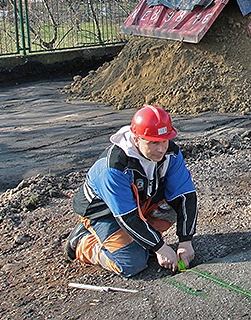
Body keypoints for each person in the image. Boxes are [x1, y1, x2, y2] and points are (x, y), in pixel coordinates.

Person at [64, 105, 197, 277]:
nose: (161, 149)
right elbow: (126, 216)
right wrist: (159, 247)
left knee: (172, 208)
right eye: (153, 143)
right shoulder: (114, 167)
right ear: (136, 139)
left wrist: (186, 241)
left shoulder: (170, 152)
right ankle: (82, 242)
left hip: (139, 201)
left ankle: (141, 240)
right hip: (104, 212)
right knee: (132, 263)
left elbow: (185, 195)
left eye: (164, 141)